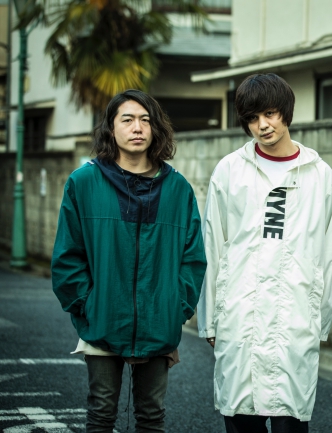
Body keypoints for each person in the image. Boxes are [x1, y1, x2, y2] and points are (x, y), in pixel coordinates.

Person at [51, 89, 207, 432]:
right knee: (101, 412)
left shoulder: (178, 189)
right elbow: (67, 255)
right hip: (102, 319)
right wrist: (87, 304)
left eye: (145, 120)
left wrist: (175, 307)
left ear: (155, 129)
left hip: (159, 322)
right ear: (111, 128)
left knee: (151, 416)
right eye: (128, 119)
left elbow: (193, 258)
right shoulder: (84, 183)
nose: (137, 127)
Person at [197, 73, 332, 433]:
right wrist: (210, 318)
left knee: (290, 419)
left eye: (270, 114)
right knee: (241, 419)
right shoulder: (230, 171)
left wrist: (320, 319)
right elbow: (213, 246)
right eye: (252, 118)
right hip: (240, 316)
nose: (262, 125)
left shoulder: (319, 175)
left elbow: (328, 254)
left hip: (294, 317)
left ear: (286, 112)